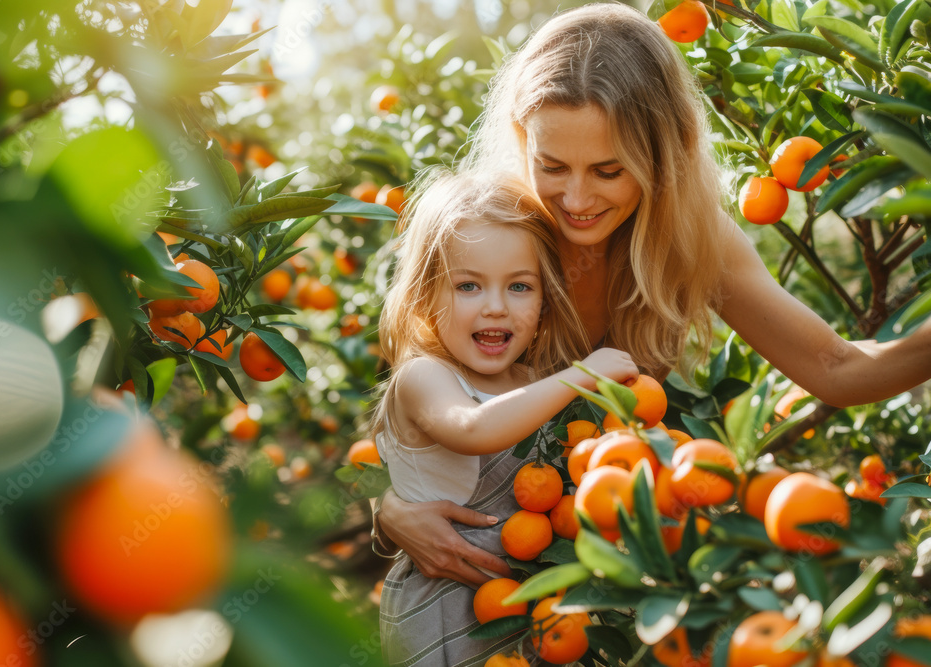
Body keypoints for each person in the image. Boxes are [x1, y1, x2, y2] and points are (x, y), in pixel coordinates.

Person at [374, 2, 931, 589]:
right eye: (553, 165)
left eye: (610, 171)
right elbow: (411, 402)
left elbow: (834, 366)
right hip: (492, 573)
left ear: (665, 154)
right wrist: (387, 512)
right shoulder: (501, 233)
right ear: (522, 139)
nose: (577, 198)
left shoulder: (691, 240)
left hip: (610, 568)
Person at [373, 169, 637, 666]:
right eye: (468, 286)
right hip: (444, 612)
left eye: (519, 287)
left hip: (527, 612)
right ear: (427, 295)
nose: (496, 308)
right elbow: (475, 428)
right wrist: (582, 375)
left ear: (544, 299)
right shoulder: (423, 377)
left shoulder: (533, 380)